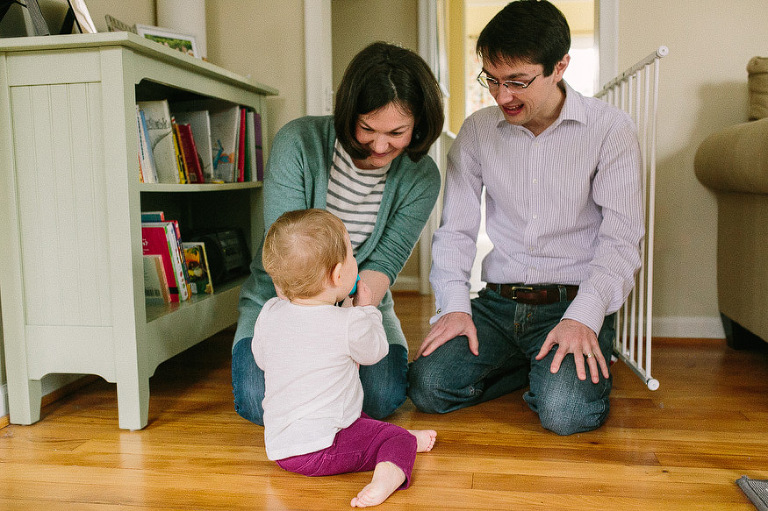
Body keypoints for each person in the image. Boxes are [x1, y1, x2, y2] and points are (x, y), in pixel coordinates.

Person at [407, 0, 644, 436]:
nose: (501, 96)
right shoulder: (477, 131)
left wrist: (583, 317)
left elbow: (621, 240)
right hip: (497, 305)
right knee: (428, 387)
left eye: (517, 82)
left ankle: (556, 370)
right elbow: (456, 231)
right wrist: (455, 308)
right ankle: (531, 371)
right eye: (492, 80)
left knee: (566, 414)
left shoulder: (610, 130)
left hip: (570, 304)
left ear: (560, 66)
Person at [232, 41, 445, 425]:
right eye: (367, 128)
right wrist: (314, 338)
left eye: (397, 132)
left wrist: (352, 321)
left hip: (360, 305)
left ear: (419, 127)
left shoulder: (422, 177)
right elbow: (283, 256)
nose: (380, 146)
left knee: (381, 399)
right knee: (256, 400)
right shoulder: (299, 142)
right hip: (282, 302)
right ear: (349, 112)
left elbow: (386, 260)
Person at [254, 209, 437, 508]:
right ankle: (387, 476)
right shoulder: (348, 322)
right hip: (321, 448)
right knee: (396, 441)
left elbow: (262, 359)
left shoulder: (270, 313)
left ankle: (393, 438)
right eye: (352, 255)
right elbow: (376, 352)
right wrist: (365, 311)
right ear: (340, 275)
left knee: (354, 412)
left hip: (281, 448)